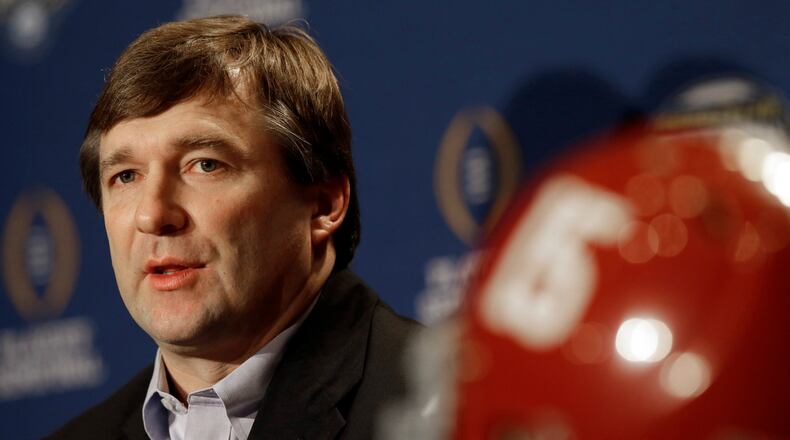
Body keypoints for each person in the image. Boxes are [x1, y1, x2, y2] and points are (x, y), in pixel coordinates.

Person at [49, 15, 419, 440]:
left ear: (323, 205)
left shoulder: (450, 410)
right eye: (127, 176)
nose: (152, 215)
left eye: (205, 165)